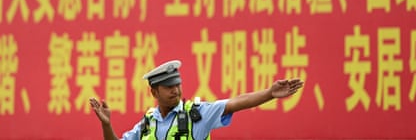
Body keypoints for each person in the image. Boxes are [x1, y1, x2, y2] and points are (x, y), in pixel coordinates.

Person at [89, 60, 304, 140]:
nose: (176, 90)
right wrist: (106, 125)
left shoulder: (197, 114)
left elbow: (238, 101)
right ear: (154, 93)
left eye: (177, 84)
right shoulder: (147, 124)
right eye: (168, 87)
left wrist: (268, 93)